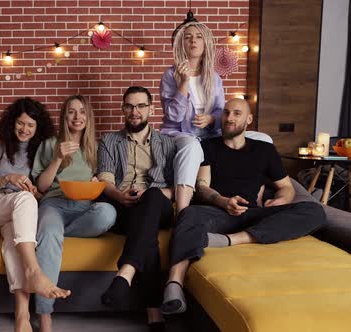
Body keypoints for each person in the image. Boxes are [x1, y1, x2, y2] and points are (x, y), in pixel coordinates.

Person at [160, 98, 327, 315]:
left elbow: (286, 186)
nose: (230, 118)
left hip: (254, 214)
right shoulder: (207, 147)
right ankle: (174, 285)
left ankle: (230, 240)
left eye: (237, 113)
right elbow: (201, 186)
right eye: (226, 113)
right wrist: (222, 200)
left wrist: (281, 199)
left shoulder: (264, 149)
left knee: (315, 210)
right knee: (188, 214)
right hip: (217, 212)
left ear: (249, 119)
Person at [0, 98, 70, 332]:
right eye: (20, 123)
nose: (24, 129)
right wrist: (7, 178)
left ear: (38, 128)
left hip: (18, 214)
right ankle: (35, 272)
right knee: (24, 200)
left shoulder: (40, 149)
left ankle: (22, 319)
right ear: (12, 122)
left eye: (30, 125)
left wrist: (35, 193)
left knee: (16, 243)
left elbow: (40, 191)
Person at [160, 21, 271, 213]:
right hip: (181, 133)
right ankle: (182, 211)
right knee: (192, 145)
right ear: (181, 45)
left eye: (198, 37)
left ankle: (262, 194)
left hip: (211, 133)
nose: (193, 41)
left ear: (205, 44)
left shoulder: (214, 77)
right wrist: (184, 82)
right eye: (188, 37)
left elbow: (221, 111)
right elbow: (173, 115)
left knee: (263, 139)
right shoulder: (170, 75)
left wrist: (211, 119)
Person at [32, 95, 117, 332]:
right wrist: (58, 158)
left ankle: (56, 236)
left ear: (88, 117)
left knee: (108, 213)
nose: (77, 117)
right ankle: (45, 313)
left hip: (85, 208)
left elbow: (103, 181)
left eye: (82, 112)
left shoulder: (96, 148)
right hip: (54, 204)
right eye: (71, 111)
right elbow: (41, 187)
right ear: (64, 116)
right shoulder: (50, 144)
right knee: (49, 229)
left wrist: (96, 183)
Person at [97, 86, 175, 332]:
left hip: (158, 203)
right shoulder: (109, 140)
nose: (135, 111)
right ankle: (154, 312)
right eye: (130, 106)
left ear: (151, 109)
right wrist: (120, 195)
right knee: (145, 233)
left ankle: (126, 273)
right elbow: (105, 180)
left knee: (151, 197)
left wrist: (153, 194)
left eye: (141, 106)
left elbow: (177, 187)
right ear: (123, 109)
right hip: (124, 206)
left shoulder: (168, 143)